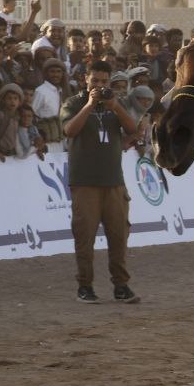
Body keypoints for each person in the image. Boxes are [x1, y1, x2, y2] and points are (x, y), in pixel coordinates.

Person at [61, 60, 141, 304]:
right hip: (85, 182)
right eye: (95, 80)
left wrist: (114, 106)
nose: (99, 85)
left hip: (114, 182)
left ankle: (121, 286)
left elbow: (132, 129)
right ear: (86, 79)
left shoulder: (116, 104)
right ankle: (85, 286)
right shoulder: (73, 102)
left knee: (119, 236)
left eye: (104, 82)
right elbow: (69, 131)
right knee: (84, 238)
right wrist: (89, 105)